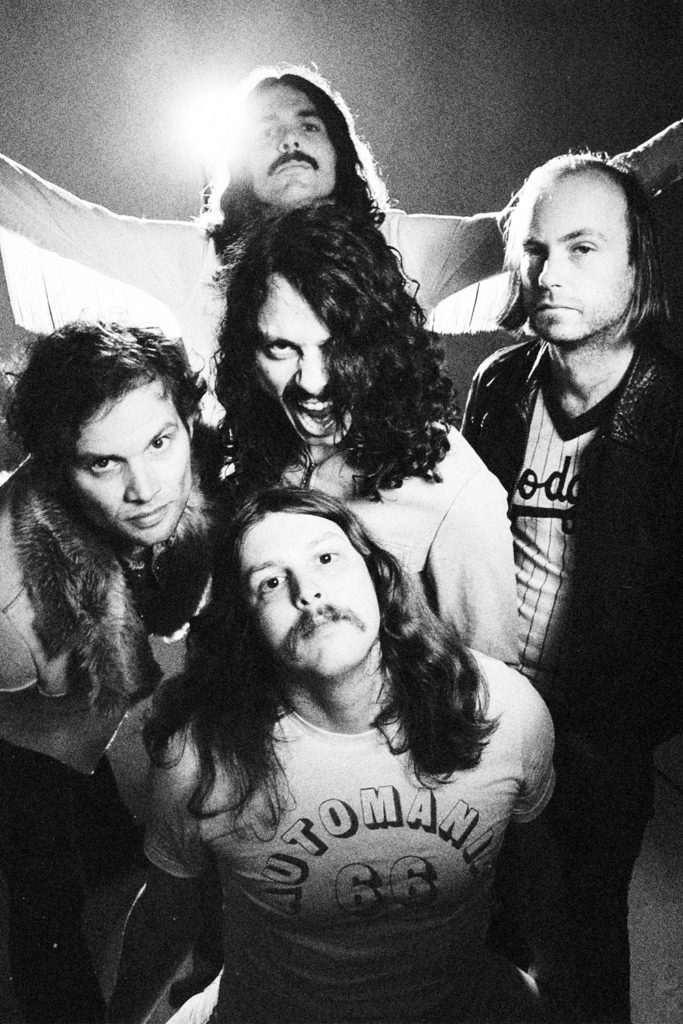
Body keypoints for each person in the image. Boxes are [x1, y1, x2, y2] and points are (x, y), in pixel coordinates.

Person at [107, 486, 574, 1024]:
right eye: (270, 582)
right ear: (246, 626)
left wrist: (563, 991)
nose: (308, 592)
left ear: (377, 576)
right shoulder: (197, 758)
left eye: (327, 558)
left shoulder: (504, 709)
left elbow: (537, 876)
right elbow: (167, 914)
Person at [0, 65, 681, 375]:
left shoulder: (401, 244)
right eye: (264, 130)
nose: (289, 137)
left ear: (340, 154)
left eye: (308, 124)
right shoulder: (196, 259)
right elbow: (56, 220)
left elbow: (556, 211)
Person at [462, 154, 683, 1023]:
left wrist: (624, 724)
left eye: (582, 248)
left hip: (597, 740)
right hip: (489, 715)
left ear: (636, 266)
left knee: (585, 947)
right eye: (535, 249)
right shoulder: (499, 387)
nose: (549, 272)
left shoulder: (671, 407)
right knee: (480, 939)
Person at [0, 321, 220, 1023]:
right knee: (41, 878)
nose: (146, 489)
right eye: (103, 464)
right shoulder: (9, 602)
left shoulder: (207, 465)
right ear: (59, 470)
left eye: (159, 443)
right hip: (21, 725)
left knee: (114, 838)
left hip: (90, 706)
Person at [216, 202, 518, 662]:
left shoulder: (456, 491)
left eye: (338, 347)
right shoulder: (245, 456)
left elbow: (492, 687)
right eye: (281, 348)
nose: (313, 381)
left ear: (382, 345)